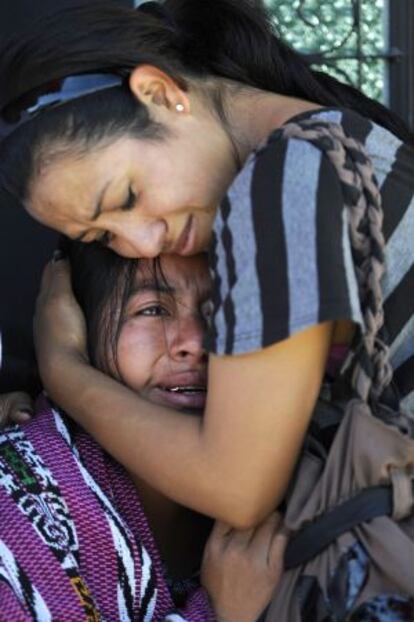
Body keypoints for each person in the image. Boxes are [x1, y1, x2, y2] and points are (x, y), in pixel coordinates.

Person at [0, 0, 413, 535]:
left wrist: (64, 370)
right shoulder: (332, 139)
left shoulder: (284, 181)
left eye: (127, 195)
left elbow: (235, 487)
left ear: (161, 94)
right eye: (103, 237)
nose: (142, 244)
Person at [0, 241, 285, 621]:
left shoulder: (306, 479)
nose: (196, 343)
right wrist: (218, 613)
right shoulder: (17, 513)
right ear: (79, 329)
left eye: (219, 310)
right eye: (152, 310)